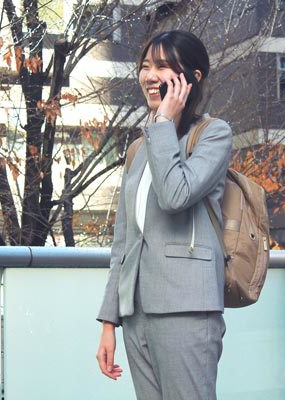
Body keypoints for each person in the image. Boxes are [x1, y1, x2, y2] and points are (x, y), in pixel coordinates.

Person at [95, 30, 232, 400]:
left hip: (186, 307)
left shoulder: (213, 135)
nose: (150, 76)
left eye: (163, 66)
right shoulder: (139, 149)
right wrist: (109, 320)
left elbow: (175, 195)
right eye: (145, 66)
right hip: (137, 313)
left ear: (193, 77)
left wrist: (163, 122)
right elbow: (124, 242)